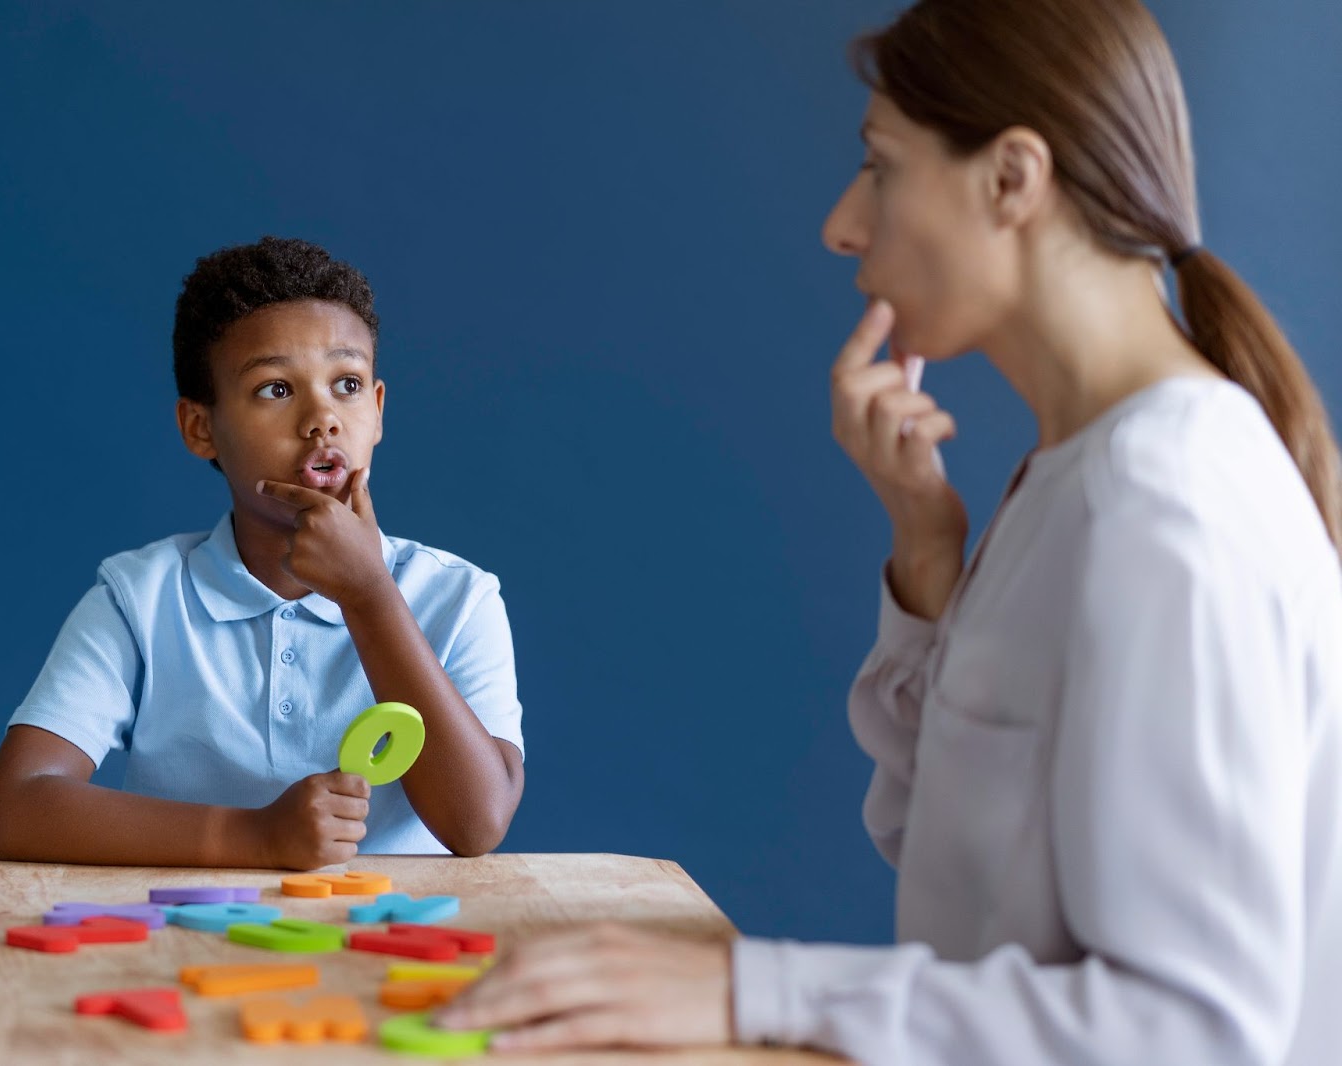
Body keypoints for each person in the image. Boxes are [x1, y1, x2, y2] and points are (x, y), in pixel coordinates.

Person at [435, 1, 1342, 1061]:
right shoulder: (1072, 476)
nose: (842, 223)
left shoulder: (1162, 503)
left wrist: (749, 987)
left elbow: (1188, 1028)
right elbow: (947, 868)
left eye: (879, 165)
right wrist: (925, 553)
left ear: (1011, 178)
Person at [0, 237, 525, 870]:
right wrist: (256, 837)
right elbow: (14, 807)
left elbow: (477, 823)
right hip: (189, 947)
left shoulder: (459, 597)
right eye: (274, 390)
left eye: (345, 383)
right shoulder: (141, 599)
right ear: (200, 428)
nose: (322, 418)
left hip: (394, 952)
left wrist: (369, 594)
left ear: (376, 412)